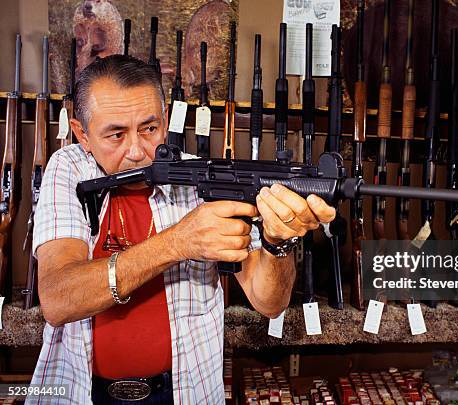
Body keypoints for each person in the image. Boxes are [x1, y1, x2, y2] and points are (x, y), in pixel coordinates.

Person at [26, 54, 335, 405]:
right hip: (82, 392)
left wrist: (277, 243)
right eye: (115, 134)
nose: (137, 151)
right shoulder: (70, 169)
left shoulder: (201, 176)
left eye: (149, 128)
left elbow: (269, 303)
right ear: (82, 133)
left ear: (165, 120)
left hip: (187, 391)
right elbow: (58, 298)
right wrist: (177, 242)